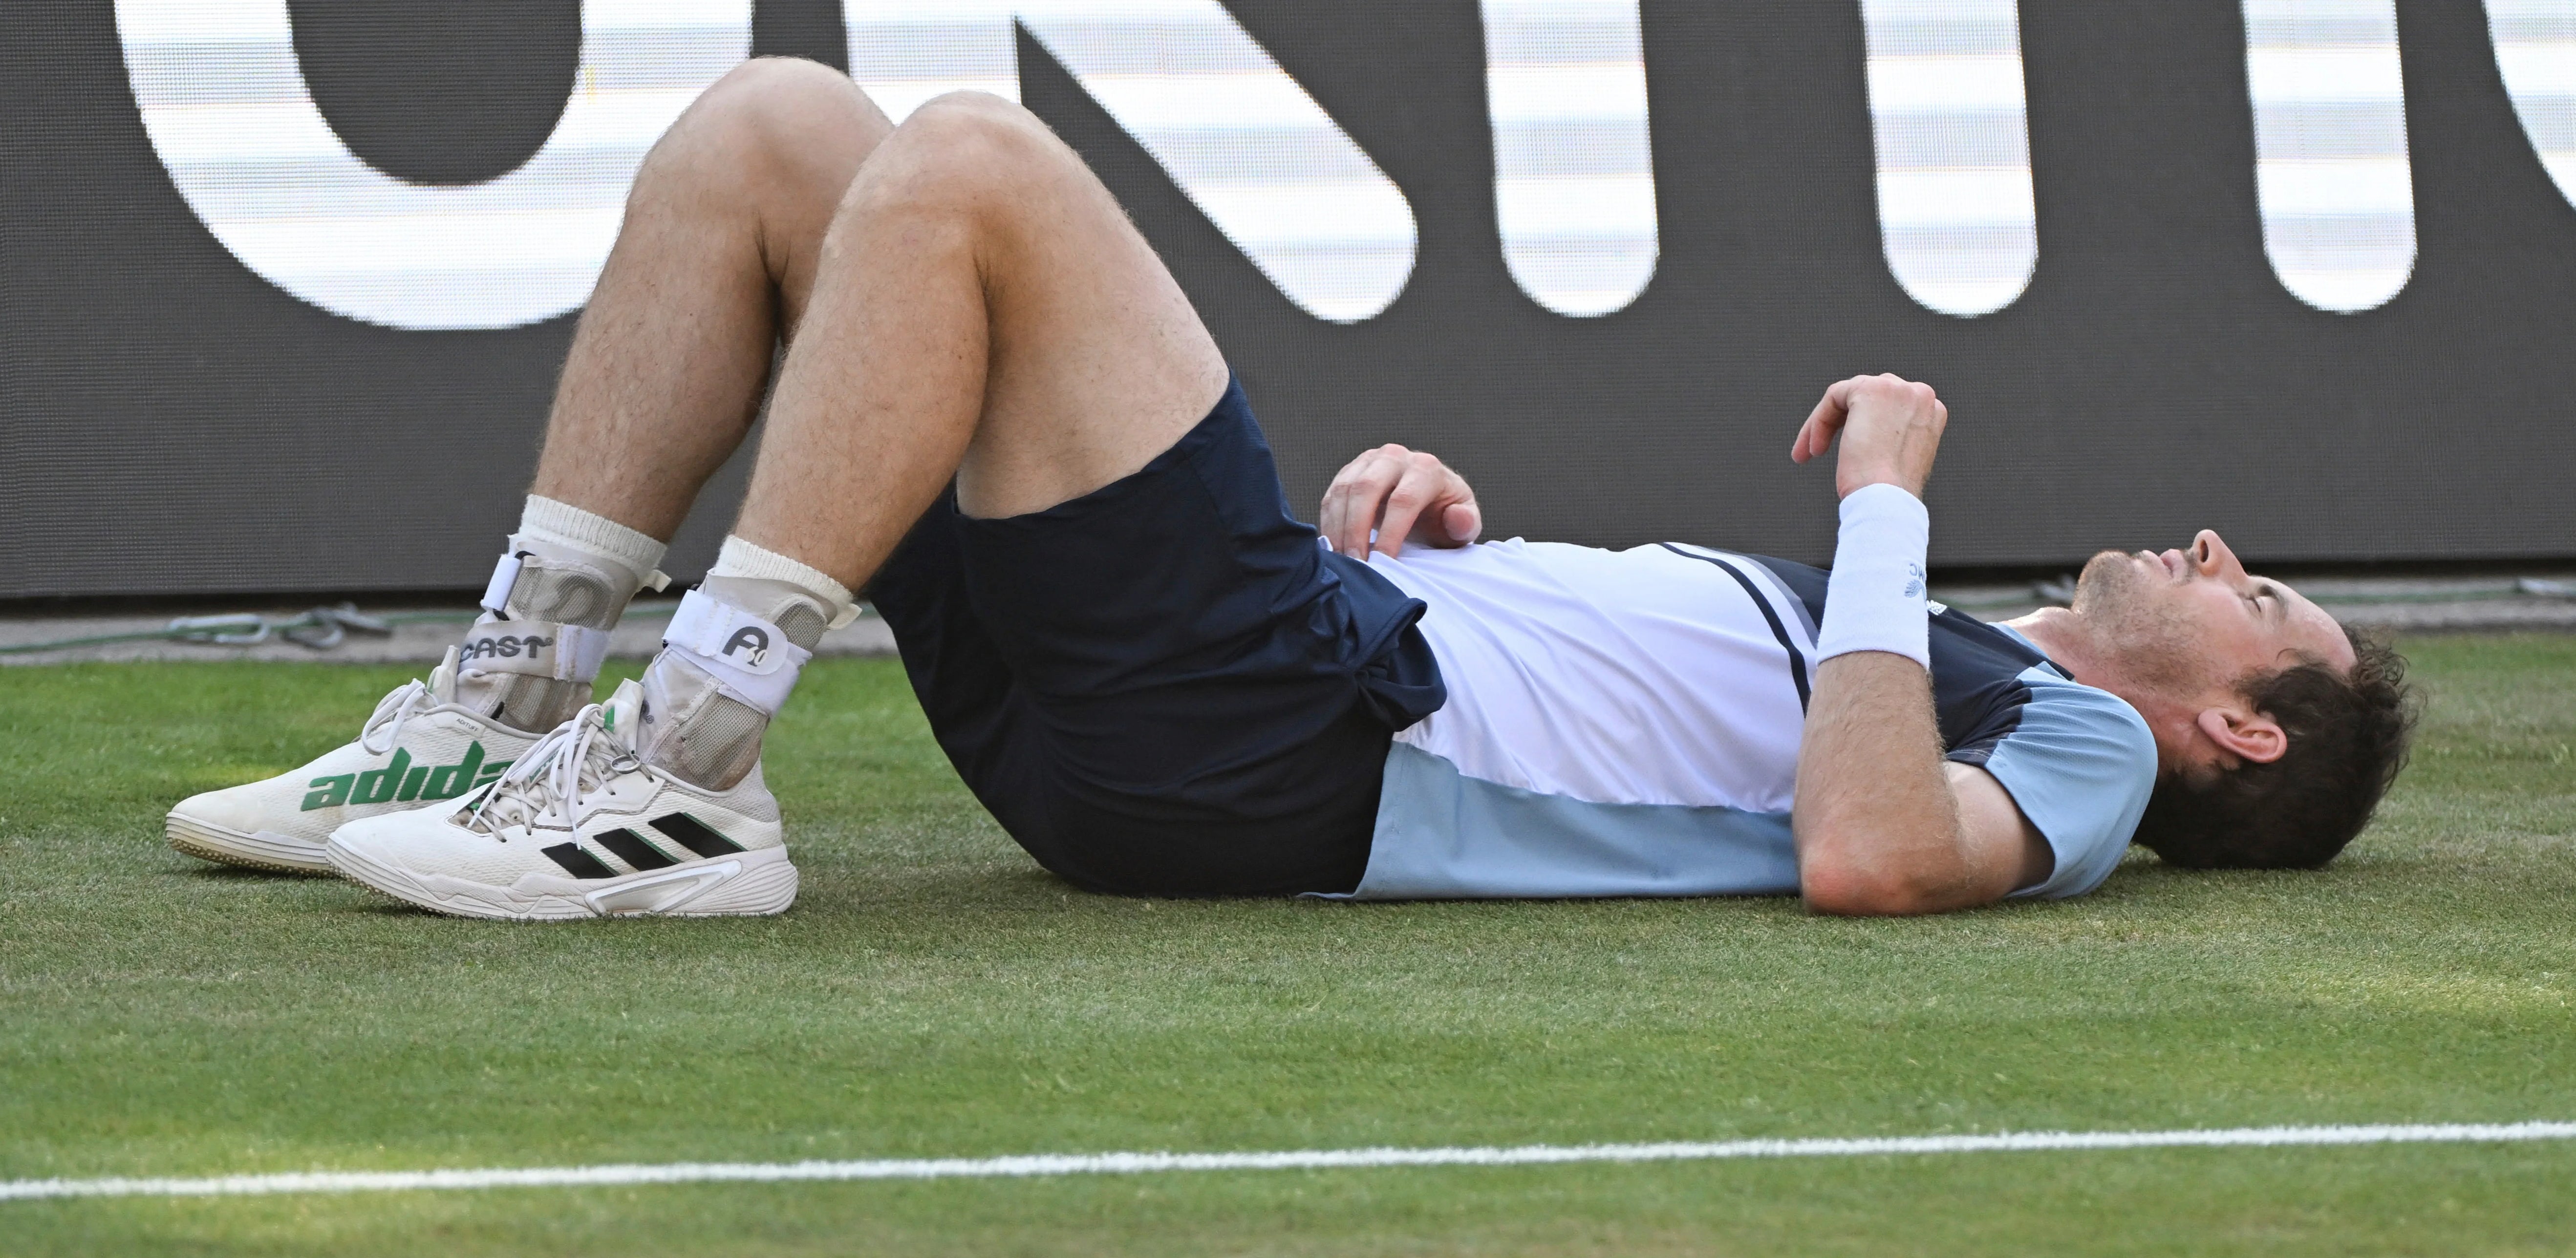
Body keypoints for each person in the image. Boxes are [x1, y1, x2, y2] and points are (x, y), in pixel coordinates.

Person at [164, 60, 2416, 921]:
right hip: (1251, 697)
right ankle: (513, 694)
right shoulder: (1930, 659)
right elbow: (1667, 720)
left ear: (2235, 728)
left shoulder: (2092, 753)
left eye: (2264, 605)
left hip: (1273, 753)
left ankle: (691, 764)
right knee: (775, 134)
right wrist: (1458, 522)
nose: (2214, 555)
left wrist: (1895, 505)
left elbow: (1860, 846)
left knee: (968, 165)